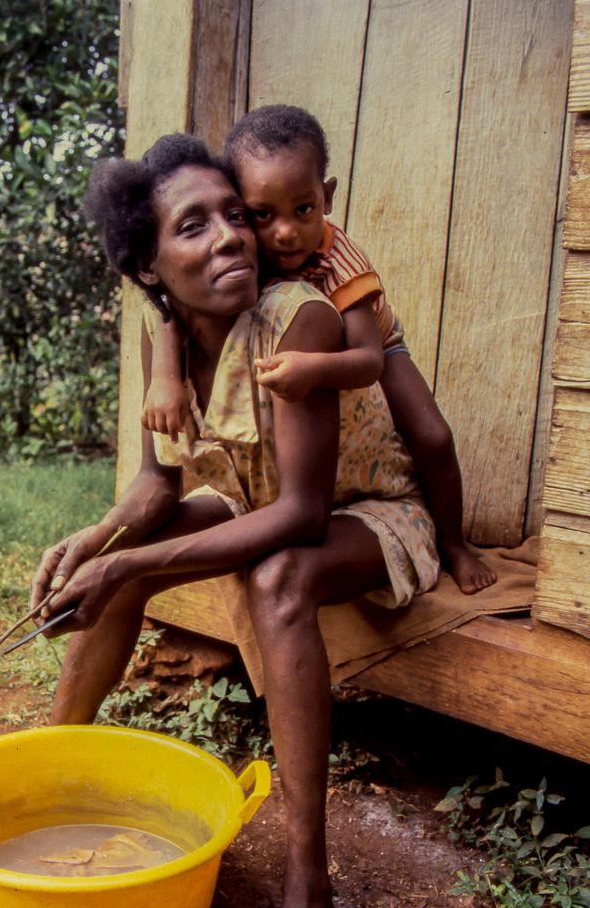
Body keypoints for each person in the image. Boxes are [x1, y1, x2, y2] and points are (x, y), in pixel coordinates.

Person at [31, 133, 439, 908]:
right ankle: (42, 776)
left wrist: (132, 558)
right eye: (194, 226)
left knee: (276, 580)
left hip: (369, 514)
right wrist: (96, 541)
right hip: (254, 502)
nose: (230, 237)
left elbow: (301, 516)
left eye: (233, 215)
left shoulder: (301, 319)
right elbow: (158, 487)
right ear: (149, 266)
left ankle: (310, 894)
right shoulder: (169, 340)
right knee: (117, 565)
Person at [142, 104, 496, 595]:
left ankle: (454, 543)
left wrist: (311, 368)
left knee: (432, 436)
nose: (285, 232)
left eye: (303, 209)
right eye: (263, 214)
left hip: (374, 344)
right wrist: (164, 378)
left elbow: (368, 361)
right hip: (323, 352)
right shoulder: (245, 245)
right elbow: (168, 310)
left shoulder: (339, 262)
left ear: (326, 197)